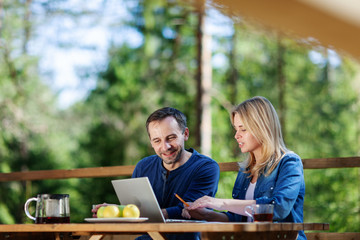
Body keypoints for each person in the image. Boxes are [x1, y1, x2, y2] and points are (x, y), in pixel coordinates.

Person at [182, 96, 306, 240]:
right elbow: (237, 218)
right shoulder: (246, 169)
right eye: (236, 129)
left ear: (263, 127)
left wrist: (221, 203)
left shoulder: (289, 162)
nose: (236, 135)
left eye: (243, 129)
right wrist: (206, 214)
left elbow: (279, 208)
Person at [93, 107, 220, 240]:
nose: (165, 147)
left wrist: (133, 213)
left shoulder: (206, 167)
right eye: (157, 141)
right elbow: (135, 209)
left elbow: (189, 211)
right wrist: (118, 211)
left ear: (185, 134)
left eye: (170, 138)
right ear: (151, 142)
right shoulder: (143, 167)